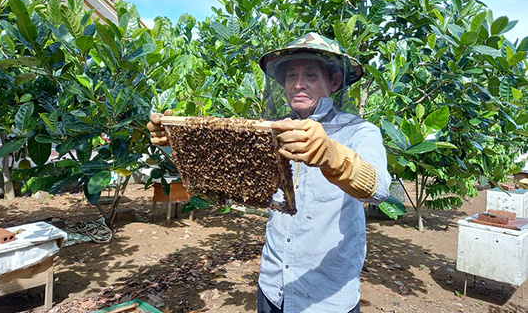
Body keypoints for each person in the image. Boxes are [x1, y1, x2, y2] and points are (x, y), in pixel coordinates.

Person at [147, 32, 391, 313]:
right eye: (291, 76)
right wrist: (175, 142)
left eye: (310, 75)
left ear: (334, 81)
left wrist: (332, 155)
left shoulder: (359, 132)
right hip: (274, 285)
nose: (298, 84)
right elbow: (226, 170)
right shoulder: (271, 132)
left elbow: (380, 189)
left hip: (326, 297)